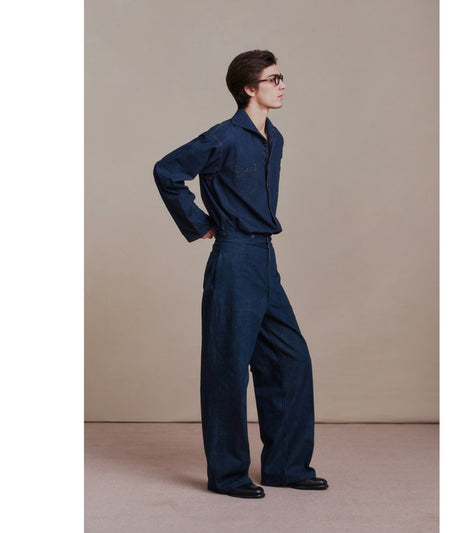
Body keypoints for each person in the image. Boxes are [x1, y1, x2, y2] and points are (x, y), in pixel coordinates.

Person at [153, 49, 328, 499]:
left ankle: (286, 466)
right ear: (249, 88)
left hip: (266, 259)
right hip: (233, 257)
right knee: (228, 367)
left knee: (290, 360)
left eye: (281, 77)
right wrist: (199, 223)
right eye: (272, 79)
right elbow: (167, 171)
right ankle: (229, 475)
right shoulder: (223, 137)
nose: (281, 85)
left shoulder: (275, 138)